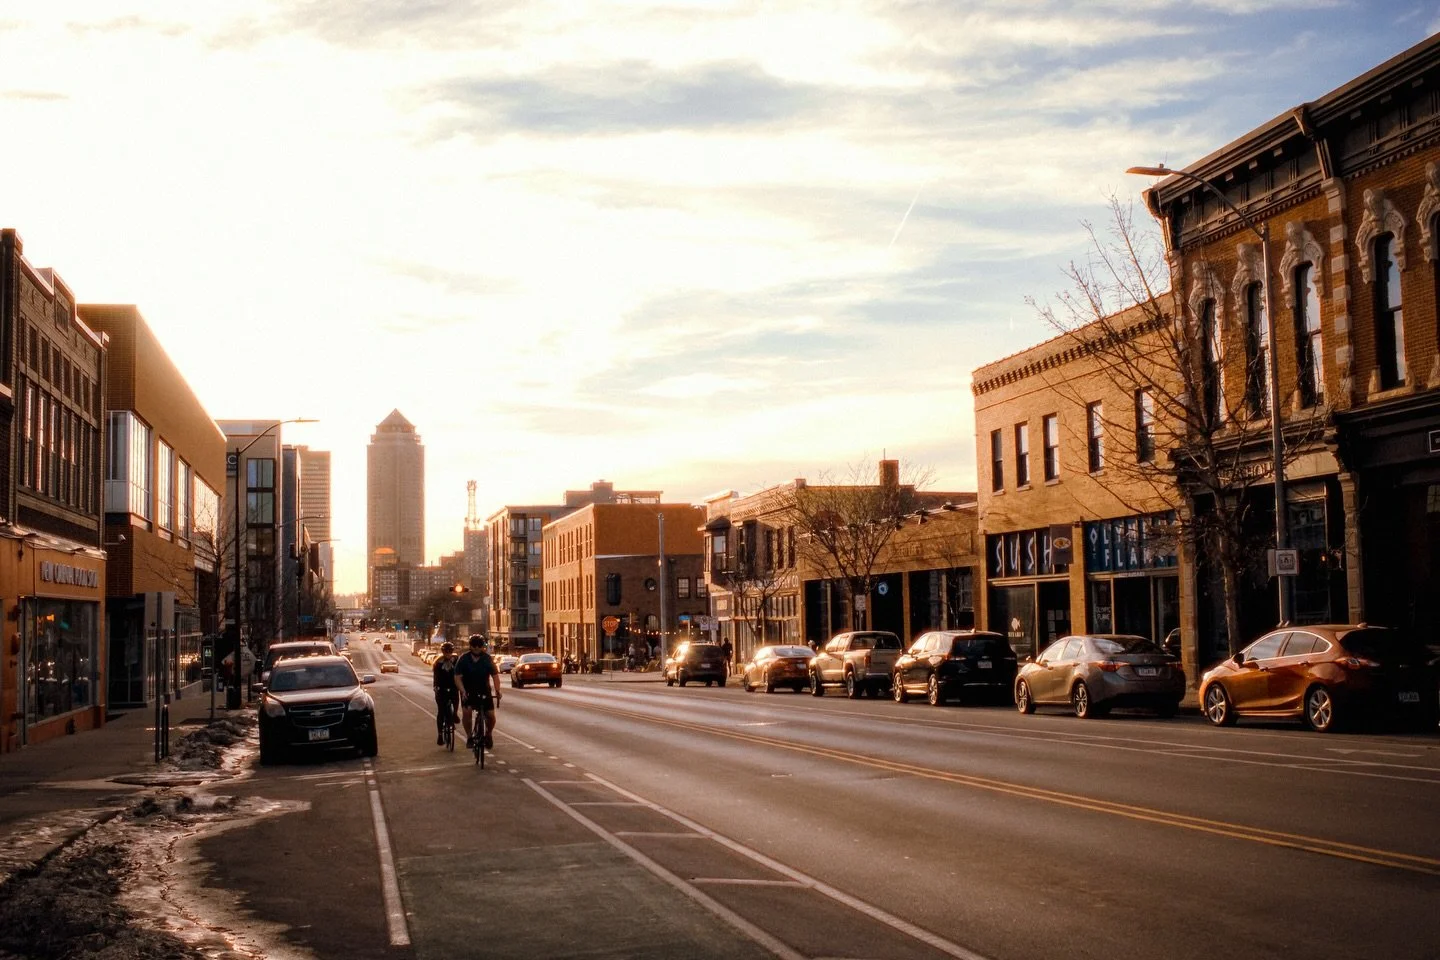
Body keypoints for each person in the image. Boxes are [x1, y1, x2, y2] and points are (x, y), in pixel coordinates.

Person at [454, 635, 501, 750]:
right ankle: (470, 737)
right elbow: (457, 677)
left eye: (479, 645)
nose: (476, 648)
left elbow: (495, 676)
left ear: (483, 646)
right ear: (470, 646)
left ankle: (488, 734)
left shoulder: (487, 659)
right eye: (474, 645)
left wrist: (498, 690)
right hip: (468, 690)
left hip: (484, 689)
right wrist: (462, 691)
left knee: (490, 716)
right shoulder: (463, 659)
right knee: (467, 712)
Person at [431, 641, 459, 745]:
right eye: (446, 652)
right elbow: (436, 677)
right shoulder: (438, 662)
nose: (448, 654)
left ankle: (455, 714)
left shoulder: (456, 660)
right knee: (441, 712)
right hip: (441, 688)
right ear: (442, 652)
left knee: (456, 699)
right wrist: (436, 687)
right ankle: (440, 735)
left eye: (450, 651)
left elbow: (460, 673)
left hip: (453, 686)